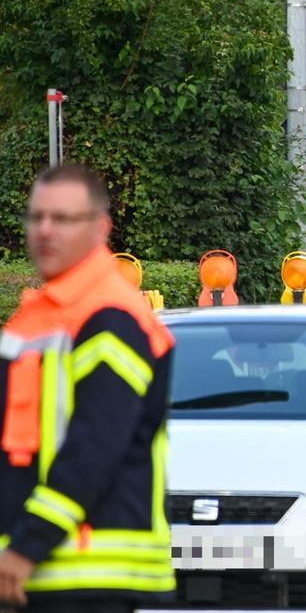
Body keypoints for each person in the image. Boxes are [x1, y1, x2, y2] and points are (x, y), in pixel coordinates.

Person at [0, 165, 175, 611]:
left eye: (62, 219)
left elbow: (94, 446)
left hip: (86, 572)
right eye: (36, 217)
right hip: (48, 570)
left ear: (101, 228)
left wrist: (26, 546)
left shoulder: (109, 317)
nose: (44, 230)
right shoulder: (46, 313)